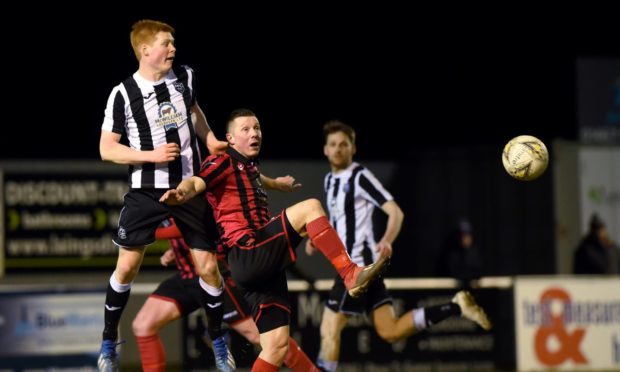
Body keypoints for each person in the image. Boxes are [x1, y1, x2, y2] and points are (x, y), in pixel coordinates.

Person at [160, 108, 389, 371]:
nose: (254, 133)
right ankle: (350, 274)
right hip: (249, 250)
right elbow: (197, 182)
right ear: (230, 139)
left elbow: (255, 177)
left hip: (262, 268)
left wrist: (277, 185)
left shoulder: (249, 168)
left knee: (277, 346)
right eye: (245, 129)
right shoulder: (221, 161)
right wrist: (181, 192)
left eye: (256, 128)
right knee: (311, 208)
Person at [98, 19, 233, 371]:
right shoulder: (123, 93)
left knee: (209, 268)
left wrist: (210, 139)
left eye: (173, 43)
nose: (173, 49)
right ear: (145, 50)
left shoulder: (185, 77)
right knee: (127, 267)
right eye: (166, 43)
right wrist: (150, 156)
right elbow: (107, 149)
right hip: (145, 190)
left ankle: (219, 344)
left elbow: (194, 112)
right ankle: (109, 343)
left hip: (188, 186)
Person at [305, 120, 493, 372]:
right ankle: (457, 305)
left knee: (329, 327)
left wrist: (387, 240)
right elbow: (339, 217)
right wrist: (317, 238)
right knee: (390, 331)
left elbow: (395, 213)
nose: (338, 149)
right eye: (333, 145)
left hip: (358, 267)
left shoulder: (359, 177)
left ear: (353, 148)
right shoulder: (330, 180)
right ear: (325, 150)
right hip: (366, 270)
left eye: (343, 144)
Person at [132, 218, 318, 371]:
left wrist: (143, 232)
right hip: (187, 277)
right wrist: (176, 249)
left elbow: (195, 223)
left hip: (214, 275)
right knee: (143, 325)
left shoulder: (189, 184)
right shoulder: (157, 192)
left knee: (264, 338)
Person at [436, 218, 484, 288]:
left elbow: (479, 271)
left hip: (471, 292)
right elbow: (453, 272)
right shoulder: (451, 253)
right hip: (450, 293)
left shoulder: (474, 252)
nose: (467, 238)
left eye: (469, 235)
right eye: (464, 235)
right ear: (458, 236)